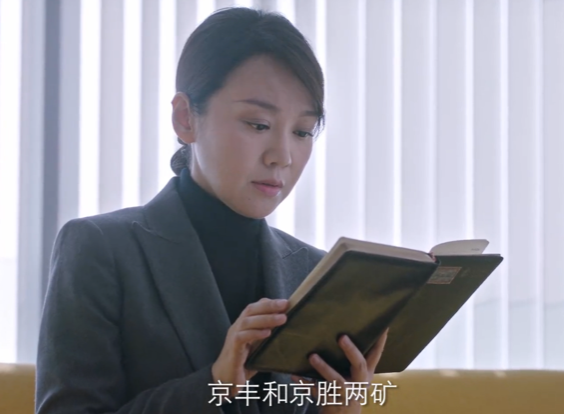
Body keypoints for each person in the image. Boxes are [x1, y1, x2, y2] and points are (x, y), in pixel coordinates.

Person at [35, 7, 388, 414]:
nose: (283, 156)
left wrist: (340, 411)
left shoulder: (314, 272)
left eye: (302, 131)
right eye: (258, 124)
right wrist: (215, 382)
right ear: (185, 118)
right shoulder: (100, 250)